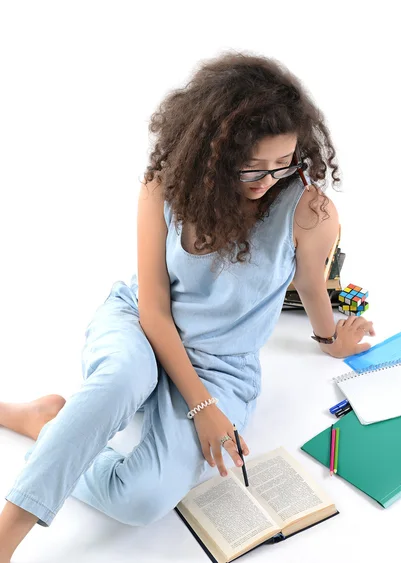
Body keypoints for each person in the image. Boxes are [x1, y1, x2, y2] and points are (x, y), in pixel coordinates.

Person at [0, 51, 375, 561]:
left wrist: (333, 340)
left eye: (283, 163)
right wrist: (201, 409)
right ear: (214, 151)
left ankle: (49, 426)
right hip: (139, 324)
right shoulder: (164, 186)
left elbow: (311, 288)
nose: (268, 180)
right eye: (251, 167)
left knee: (141, 500)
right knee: (120, 380)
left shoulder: (310, 212)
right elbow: (153, 309)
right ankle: (7, 534)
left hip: (222, 367)